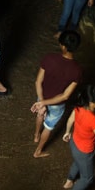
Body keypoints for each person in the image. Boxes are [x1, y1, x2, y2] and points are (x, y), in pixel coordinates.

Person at [30, 30, 82, 158]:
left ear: (63, 46)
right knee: (49, 127)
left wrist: (41, 102)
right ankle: (38, 151)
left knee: (40, 114)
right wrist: (45, 103)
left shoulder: (49, 58)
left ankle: (36, 135)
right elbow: (65, 96)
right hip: (57, 104)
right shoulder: (77, 70)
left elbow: (38, 81)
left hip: (42, 95)